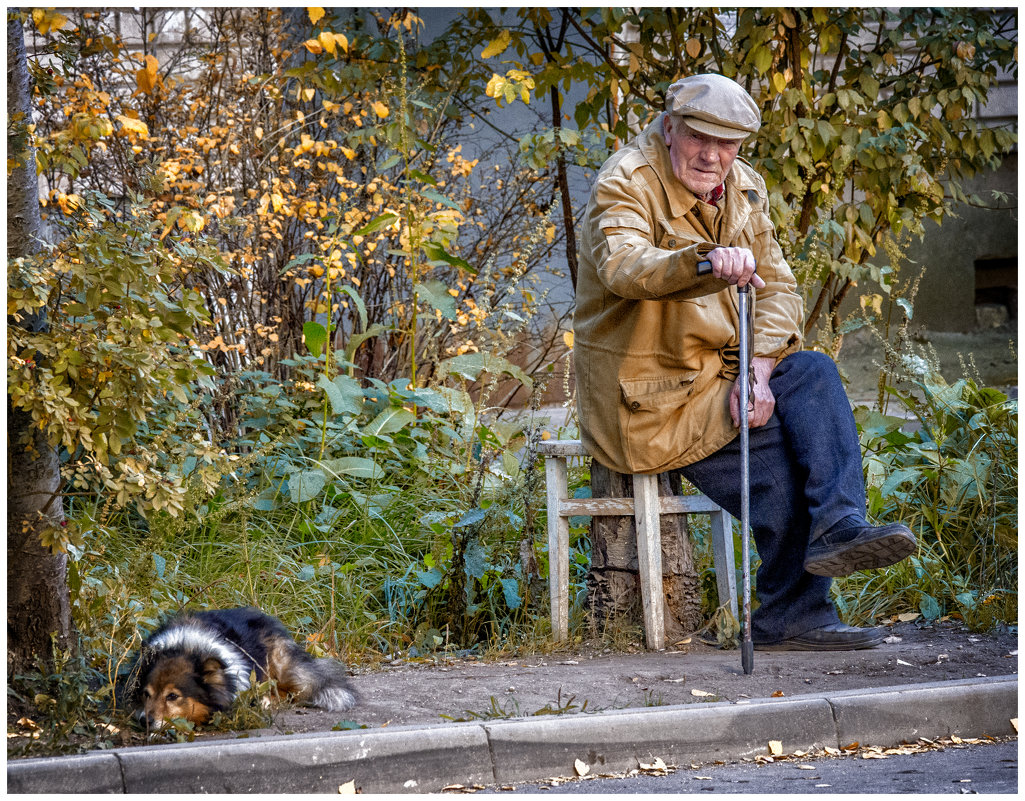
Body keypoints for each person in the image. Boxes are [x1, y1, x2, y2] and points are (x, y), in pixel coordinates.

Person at [573, 73, 916, 650]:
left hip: (723, 374)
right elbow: (625, 266)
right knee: (787, 457)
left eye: (727, 144)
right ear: (668, 127)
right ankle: (792, 614)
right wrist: (704, 262)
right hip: (650, 394)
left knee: (811, 373)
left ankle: (840, 526)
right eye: (699, 138)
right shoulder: (626, 180)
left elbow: (780, 290)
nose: (713, 155)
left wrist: (756, 370)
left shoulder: (744, 188)